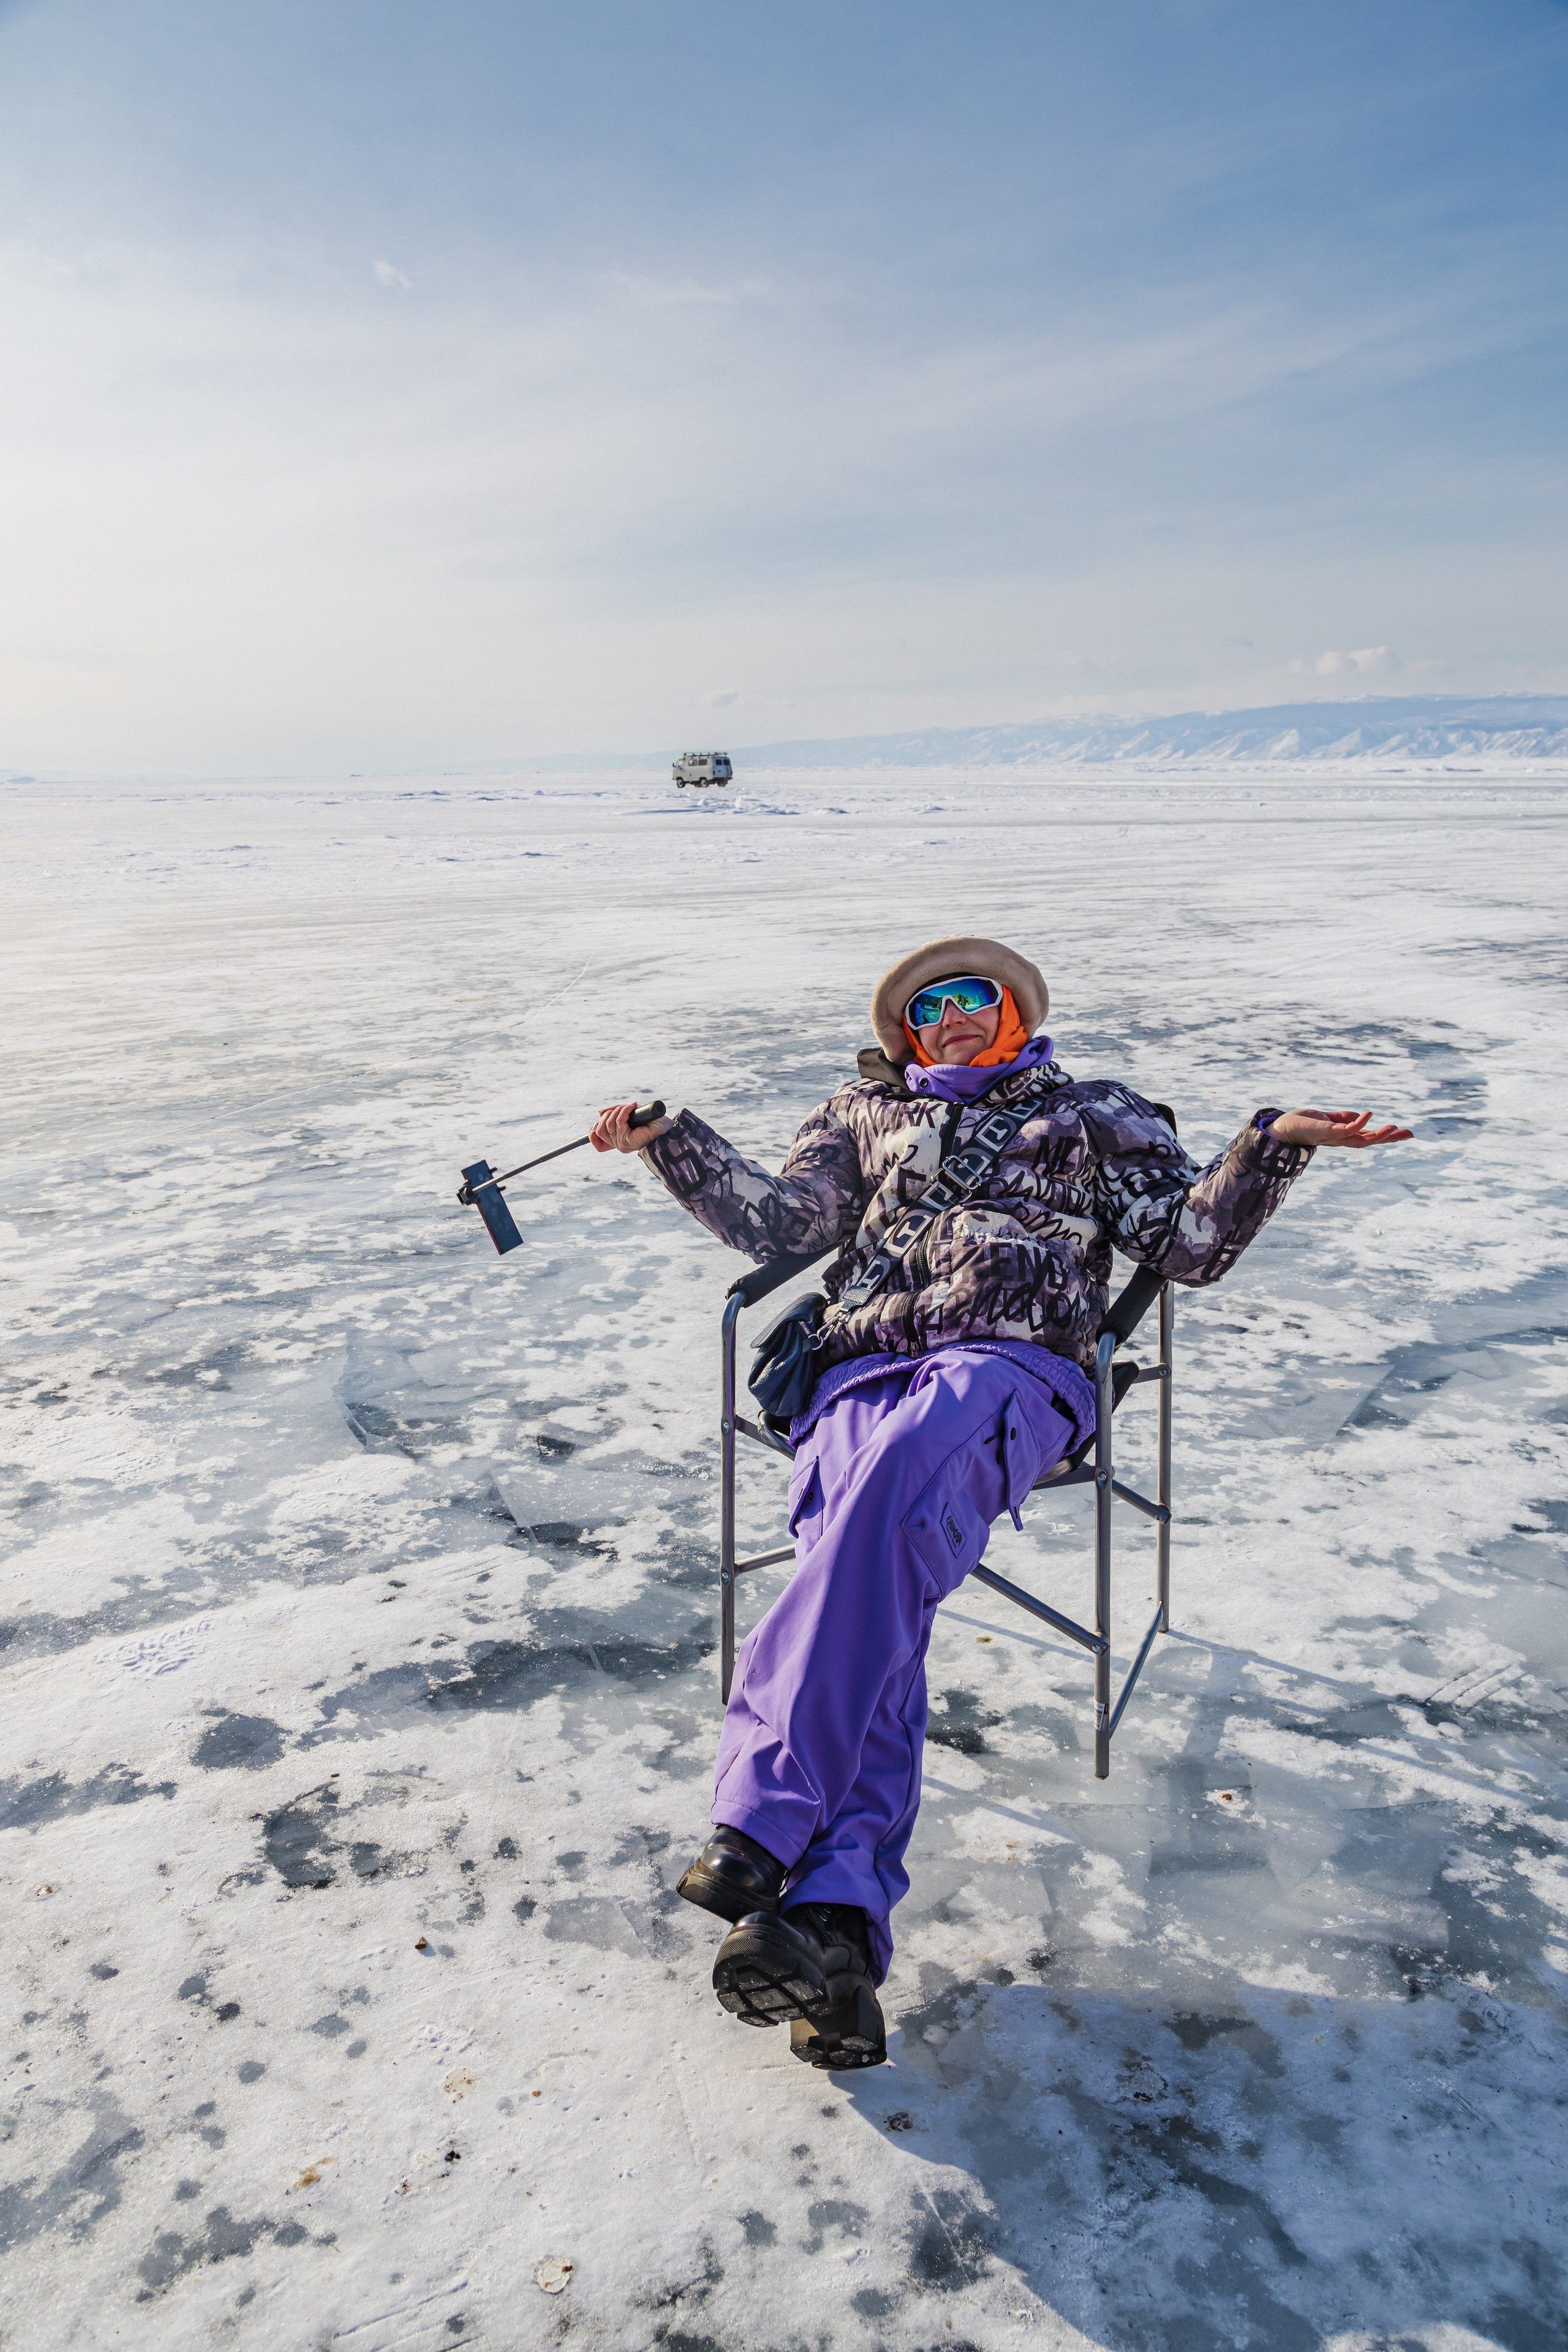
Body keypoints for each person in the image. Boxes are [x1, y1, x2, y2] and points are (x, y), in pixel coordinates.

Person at [590, 934, 1411, 2070]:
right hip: (854, 1367)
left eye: (972, 996)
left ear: (1014, 1010)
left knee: (874, 1521)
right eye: (926, 1009)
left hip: (1012, 1367)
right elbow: (782, 1228)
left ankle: (759, 1819)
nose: (952, 1015)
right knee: (871, 1577)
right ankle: (833, 1944)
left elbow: (1186, 1245)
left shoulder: (1095, 1113)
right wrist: (670, 1142)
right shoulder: (860, 1116)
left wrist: (1268, 1145)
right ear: (904, 1036)